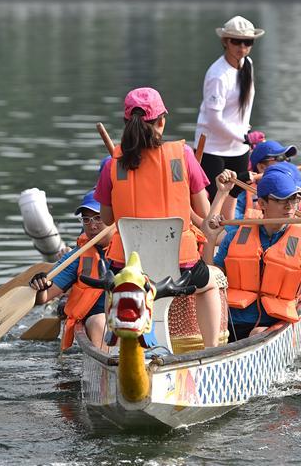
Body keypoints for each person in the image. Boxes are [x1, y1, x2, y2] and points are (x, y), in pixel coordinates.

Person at [95, 87, 222, 347]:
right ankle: (210, 351)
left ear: (126, 124)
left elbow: (107, 218)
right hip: (180, 268)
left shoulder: (113, 164)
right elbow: (205, 214)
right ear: (162, 121)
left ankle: (113, 353)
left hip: (128, 270)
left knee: (115, 283)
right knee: (209, 283)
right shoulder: (184, 156)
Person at [203, 162, 301, 341]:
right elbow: (211, 278)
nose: (290, 206)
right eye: (282, 200)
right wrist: (211, 240)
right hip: (231, 324)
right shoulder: (237, 234)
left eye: (294, 199)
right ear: (263, 203)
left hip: (270, 326)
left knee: (256, 334)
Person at [29, 190, 113, 350]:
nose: (92, 226)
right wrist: (40, 286)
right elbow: (43, 298)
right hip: (96, 320)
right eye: (86, 220)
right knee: (100, 321)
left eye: (98, 218)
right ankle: (107, 371)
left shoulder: (131, 245)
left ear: (111, 217)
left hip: (130, 314)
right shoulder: (77, 256)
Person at [194, 15, 266, 198]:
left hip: (238, 148)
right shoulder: (218, 75)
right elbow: (214, 120)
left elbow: (245, 106)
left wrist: (245, 136)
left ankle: (231, 227)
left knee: (234, 196)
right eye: (237, 42)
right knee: (212, 200)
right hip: (212, 148)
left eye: (248, 42)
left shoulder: (247, 64)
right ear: (225, 41)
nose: (242, 48)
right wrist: (245, 137)